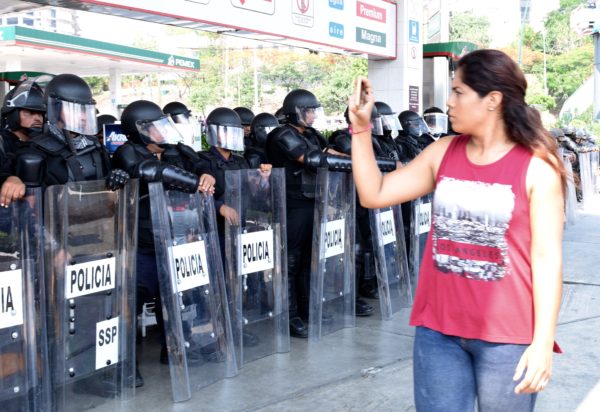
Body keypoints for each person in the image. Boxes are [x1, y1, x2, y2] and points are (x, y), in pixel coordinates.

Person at [349, 49, 565, 411]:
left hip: (507, 339)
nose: (448, 102)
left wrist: (542, 341)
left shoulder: (537, 168)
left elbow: (547, 260)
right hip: (438, 332)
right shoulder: (443, 152)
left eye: (459, 92)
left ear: (492, 100)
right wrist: (360, 127)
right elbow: (375, 194)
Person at [112, 100, 215, 386]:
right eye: (155, 126)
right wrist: (195, 182)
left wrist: (207, 174)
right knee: (134, 300)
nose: (162, 130)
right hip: (140, 241)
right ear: (140, 130)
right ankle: (126, 363)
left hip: (172, 236)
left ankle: (173, 349)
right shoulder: (126, 153)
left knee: (173, 297)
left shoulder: (174, 150)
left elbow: (203, 163)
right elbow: (152, 172)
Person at [0, 78, 46, 206]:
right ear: (13, 115)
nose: (37, 118)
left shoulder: (45, 145)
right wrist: (8, 179)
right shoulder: (2, 142)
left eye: (41, 114)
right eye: (29, 112)